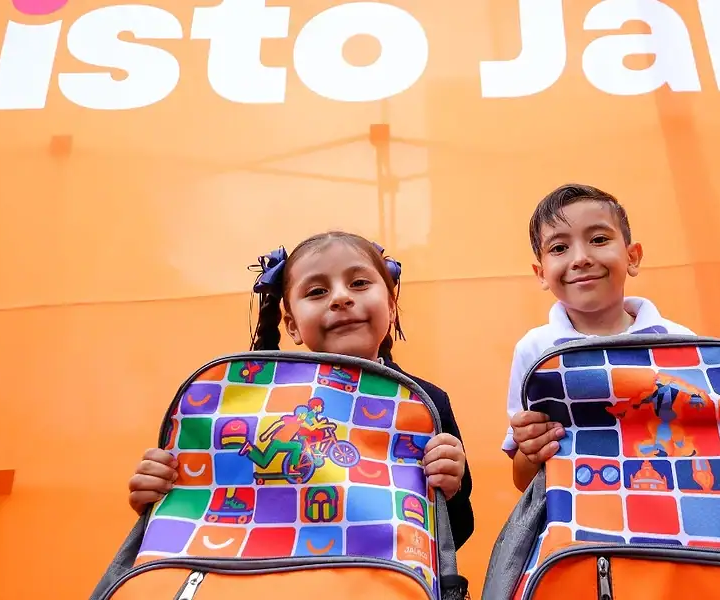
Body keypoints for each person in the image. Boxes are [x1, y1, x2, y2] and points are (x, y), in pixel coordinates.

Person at [504, 183, 720, 533]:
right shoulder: (535, 351)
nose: (580, 258)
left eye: (599, 239)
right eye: (559, 248)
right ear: (541, 273)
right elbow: (524, 479)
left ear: (633, 257)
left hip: (678, 527)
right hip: (586, 528)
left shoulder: (682, 342)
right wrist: (530, 450)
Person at [127, 231, 475, 549]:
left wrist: (451, 487)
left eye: (358, 283)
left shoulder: (426, 402)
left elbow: (454, 536)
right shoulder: (243, 401)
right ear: (292, 325)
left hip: (380, 579)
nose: (341, 298)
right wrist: (159, 495)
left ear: (391, 306)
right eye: (317, 291)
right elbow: (201, 515)